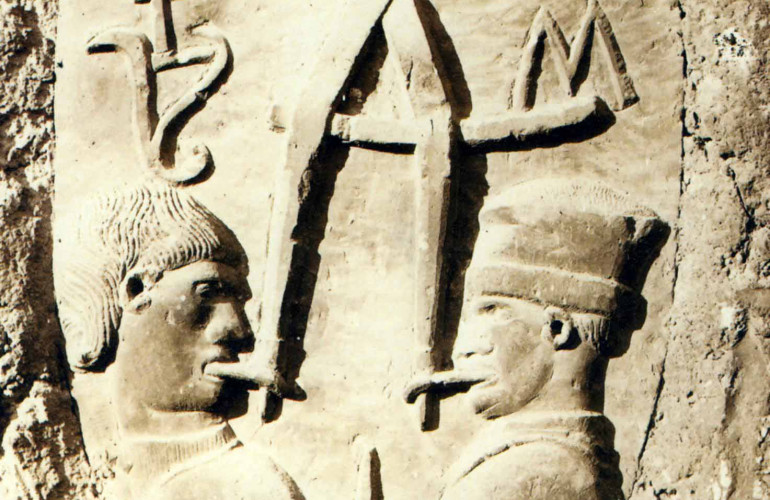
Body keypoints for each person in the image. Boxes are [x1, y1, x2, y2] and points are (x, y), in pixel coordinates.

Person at [55, 181, 304, 500]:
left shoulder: (249, 487)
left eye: (238, 302)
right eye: (209, 293)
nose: (240, 331)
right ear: (134, 292)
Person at [442, 179, 669, 500]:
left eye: (492, 311)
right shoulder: (561, 461)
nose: (461, 350)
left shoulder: (525, 475)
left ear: (558, 328)